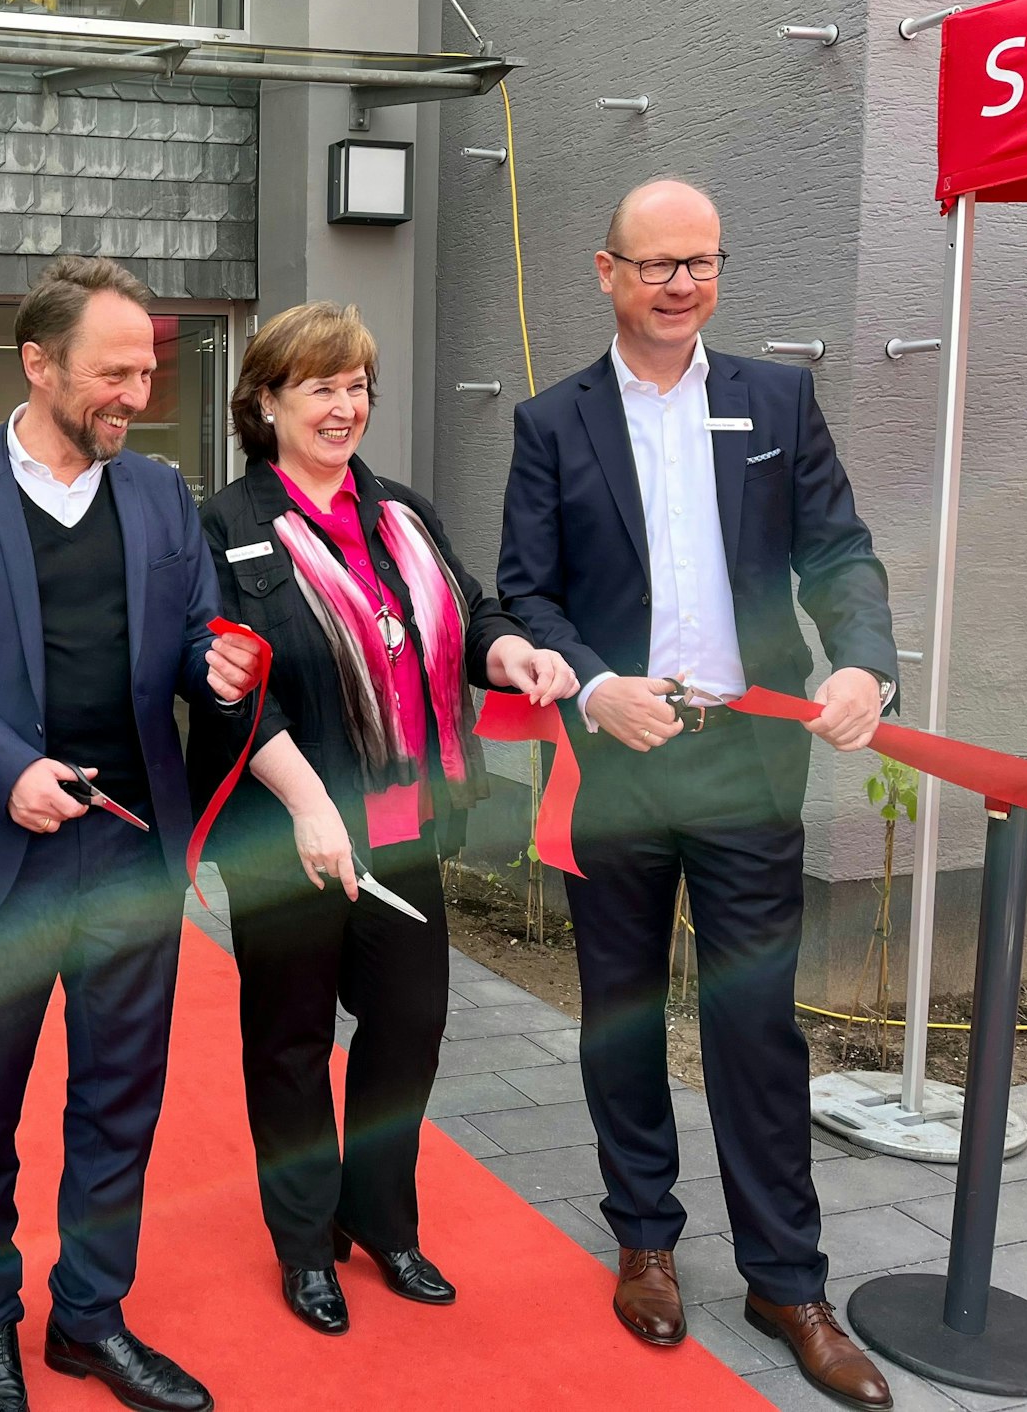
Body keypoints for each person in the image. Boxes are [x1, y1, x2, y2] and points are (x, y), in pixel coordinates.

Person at [496, 179, 898, 1411]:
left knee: (753, 1026)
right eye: (658, 263)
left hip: (740, 761)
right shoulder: (549, 422)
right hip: (616, 756)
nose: (682, 283)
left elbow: (836, 553)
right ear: (606, 272)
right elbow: (526, 594)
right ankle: (646, 1243)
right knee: (618, 1011)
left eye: (703, 262)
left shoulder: (775, 398)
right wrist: (595, 688)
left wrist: (862, 661)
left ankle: (786, 1281)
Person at [0, 256, 263, 1412]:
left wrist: (217, 667)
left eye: (145, 371)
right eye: (111, 373)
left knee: (117, 1101)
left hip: (132, 849)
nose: (133, 394)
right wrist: (3, 771)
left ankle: (88, 1317)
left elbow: (189, 637)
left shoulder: (155, 495)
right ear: (36, 365)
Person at [186, 302, 576, 1338]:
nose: (344, 405)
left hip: (405, 826)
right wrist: (309, 804)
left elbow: (470, 607)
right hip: (288, 837)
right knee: (289, 1042)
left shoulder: (401, 512)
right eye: (319, 386)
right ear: (263, 402)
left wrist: (507, 655)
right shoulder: (220, 528)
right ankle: (304, 1243)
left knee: (406, 1029)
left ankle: (382, 1220)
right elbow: (229, 690)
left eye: (356, 385)